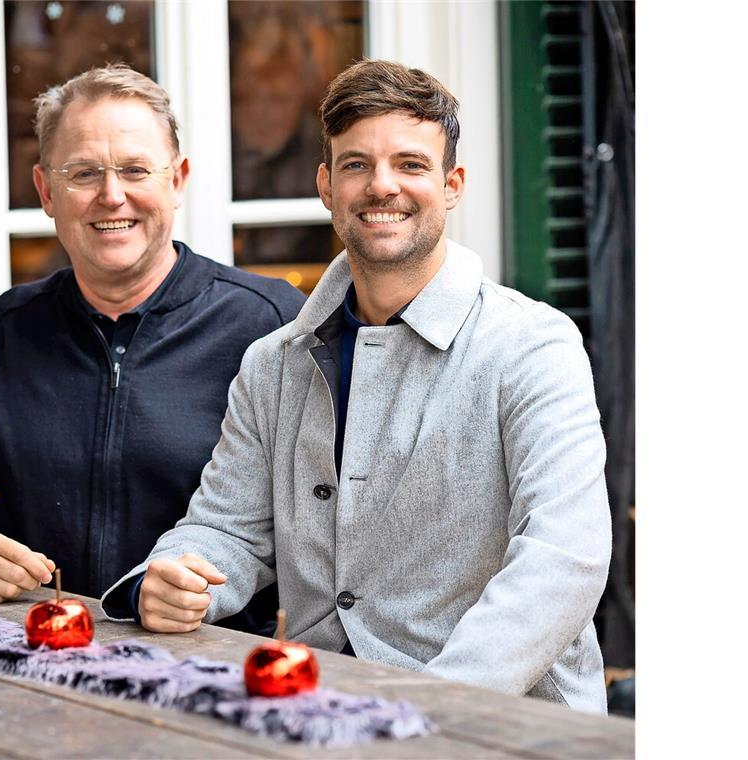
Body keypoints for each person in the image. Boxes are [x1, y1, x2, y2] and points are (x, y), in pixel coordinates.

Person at [100, 59, 612, 714]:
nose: (382, 186)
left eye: (410, 164)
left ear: (452, 184)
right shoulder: (272, 364)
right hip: (316, 709)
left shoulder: (533, 347)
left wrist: (427, 708)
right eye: (356, 165)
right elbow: (225, 528)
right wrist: (171, 573)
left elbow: (563, 562)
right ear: (326, 184)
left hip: (504, 725)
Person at [0, 64, 305, 634]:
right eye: (83, 173)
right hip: (25, 661)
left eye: (134, 169)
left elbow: (317, 519)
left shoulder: (271, 327)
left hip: (210, 665)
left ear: (178, 180)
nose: (111, 195)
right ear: (46, 192)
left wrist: (209, 585)